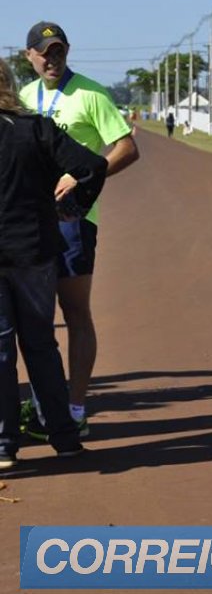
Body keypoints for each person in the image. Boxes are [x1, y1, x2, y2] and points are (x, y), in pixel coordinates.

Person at [19, 21, 140, 438]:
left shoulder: (90, 93)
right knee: (34, 318)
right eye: (45, 53)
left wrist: (83, 176)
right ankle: (43, 407)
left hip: (74, 221)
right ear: (29, 56)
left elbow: (127, 147)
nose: (52, 60)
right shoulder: (23, 98)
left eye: (59, 51)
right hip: (30, 222)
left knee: (74, 312)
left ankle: (74, 409)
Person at [0, 57, 108, 468]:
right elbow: (93, 165)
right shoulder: (36, 128)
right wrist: (73, 205)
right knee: (41, 343)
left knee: (1, 350)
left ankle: (5, 444)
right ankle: (63, 436)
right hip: (36, 251)